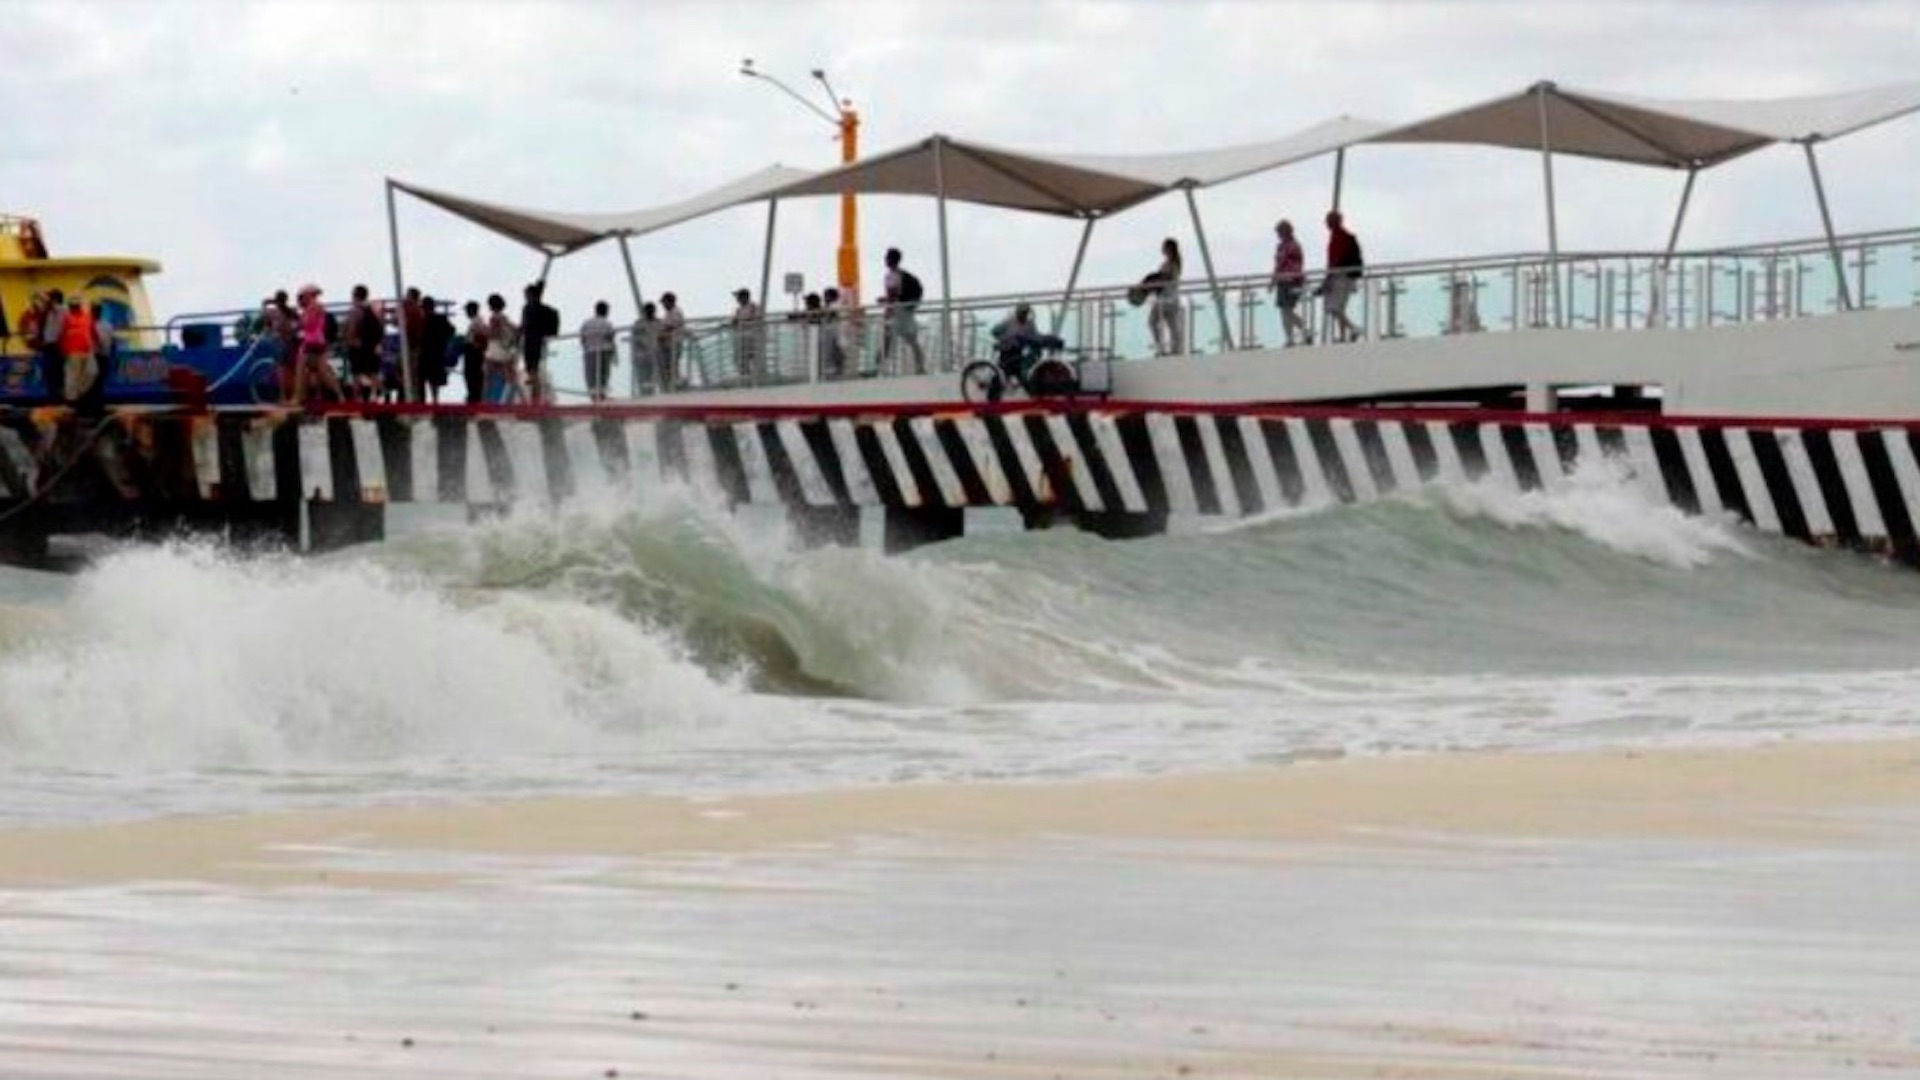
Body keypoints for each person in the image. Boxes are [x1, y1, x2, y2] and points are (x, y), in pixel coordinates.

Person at [293, 283, 345, 404]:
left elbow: (307, 324)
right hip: (319, 341)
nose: (300, 300)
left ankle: (298, 398)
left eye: (302, 297)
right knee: (323, 371)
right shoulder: (316, 306)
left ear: (308, 295)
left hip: (311, 341)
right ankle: (340, 396)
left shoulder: (313, 306)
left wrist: (298, 324)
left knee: (301, 368)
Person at [990, 302, 1065, 381]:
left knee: (1022, 372)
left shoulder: (1030, 324)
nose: (1023, 315)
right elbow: (994, 332)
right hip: (1007, 351)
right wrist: (1006, 339)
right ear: (1017, 312)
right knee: (1002, 374)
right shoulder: (1008, 322)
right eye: (1022, 312)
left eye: (1025, 313)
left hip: (1020, 352)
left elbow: (1034, 337)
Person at [881, 247, 925, 375]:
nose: (885, 260)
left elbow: (892, 295)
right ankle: (920, 365)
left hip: (897, 311)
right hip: (907, 309)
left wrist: (886, 309)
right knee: (911, 339)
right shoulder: (903, 274)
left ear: (890, 259)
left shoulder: (890, 276)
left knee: (887, 338)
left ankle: (883, 366)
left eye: (886, 257)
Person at [1322, 210, 1364, 343]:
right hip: (1340, 276)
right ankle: (1344, 334)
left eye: (1329, 221)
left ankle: (1353, 329)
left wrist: (1329, 276)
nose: (1327, 223)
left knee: (1334, 308)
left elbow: (1336, 259)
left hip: (1342, 276)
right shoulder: (1337, 236)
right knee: (1338, 309)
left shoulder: (1341, 237)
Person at [1271, 219, 1311, 346]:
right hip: (1284, 281)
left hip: (1291, 281)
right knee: (1284, 310)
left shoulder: (1292, 246)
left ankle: (1301, 331)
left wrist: (1273, 279)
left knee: (1286, 309)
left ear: (1285, 232)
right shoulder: (1283, 246)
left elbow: (1281, 263)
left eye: (1279, 232)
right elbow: (1278, 264)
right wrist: (1274, 280)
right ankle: (1292, 336)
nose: (1278, 235)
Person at [343, 284, 384, 401]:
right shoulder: (375, 309)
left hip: (358, 346)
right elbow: (381, 328)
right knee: (373, 372)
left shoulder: (355, 310)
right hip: (373, 346)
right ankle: (376, 396)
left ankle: (358, 399)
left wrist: (349, 341)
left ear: (355, 296)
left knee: (356, 374)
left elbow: (351, 329)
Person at [520, 282, 558, 404]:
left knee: (532, 372)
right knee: (533, 371)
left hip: (531, 342)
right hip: (539, 341)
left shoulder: (528, 308)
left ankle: (534, 399)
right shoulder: (544, 309)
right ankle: (534, 398)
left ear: (530, 295)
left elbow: (525, 325)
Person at [1147, 238, 1184, 356]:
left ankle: (1163, 348)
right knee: (1172, 325)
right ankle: (1175, 350)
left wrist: (1152, 281)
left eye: (1164, 247)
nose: (1162, 249)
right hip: (1171, 299)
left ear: (1169, 248)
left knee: (1153, 321)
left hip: (1166, 299)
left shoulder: (1172, 264)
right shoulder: (1172, 264)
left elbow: (1165, 278)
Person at [484, 293, 521, 404]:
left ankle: (486, 403)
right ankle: (518, 399)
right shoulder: (505, 318)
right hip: (505, 349)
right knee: (510, 377)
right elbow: (515, 330)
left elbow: (493, 334)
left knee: (488, 376)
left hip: (494, 349)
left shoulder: (494, 318)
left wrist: (484, 331)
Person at [58, 296, 96, 404]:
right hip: (72, 350)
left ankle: (79, 391)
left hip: (87, 350)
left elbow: (92, 332)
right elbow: (61, 334)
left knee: (92, 372)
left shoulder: (87, 317)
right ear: (70, 306)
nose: (75, 307)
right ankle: (71, 400)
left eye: (76, 305)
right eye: (73, 306)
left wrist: (93, 344)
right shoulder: (66, 318)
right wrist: (63, 350)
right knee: (72, 375)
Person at [418, 296, 454, 404]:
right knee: (434, 380)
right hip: (437, 353)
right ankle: (435, 401)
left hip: (424, 353)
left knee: (422, 380)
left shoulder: (423, 320)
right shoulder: (441, 318)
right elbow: (451, 331)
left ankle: (422, 403)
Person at [580, 300, 617, 403]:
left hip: (590, 352)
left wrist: (586, 348)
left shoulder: (587, 323)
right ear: (605, 311)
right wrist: (614, 355)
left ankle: (594, 398)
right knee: (603, 376)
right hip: (605, 351)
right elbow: (611, 338)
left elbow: (582, 339)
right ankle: (601, 396)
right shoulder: (607, 323)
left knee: (591, 376)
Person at [38, 289, 66, 404]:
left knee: (56, 377)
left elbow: (48, 302)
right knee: (50, 377)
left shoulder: (61, 309)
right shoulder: (49, 313)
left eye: (50, 298)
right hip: (48, 347)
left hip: (56, 347)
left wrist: (38, 292)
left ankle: (58, 402)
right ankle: (53, 400)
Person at [730, 288, 762, 382]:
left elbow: (757, 319)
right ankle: (745, 377)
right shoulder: (738, 310)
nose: (737, 299)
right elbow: (734, 321)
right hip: (741, 339)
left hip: (752, 338)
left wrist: (743, 322)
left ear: (744, 297)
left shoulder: (754, 307)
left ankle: (755, 378)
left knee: (753, 358)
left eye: (739, 297)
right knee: (741, 360)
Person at [630, 301, 662, 397]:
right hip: (641, 356)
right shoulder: (639, 324)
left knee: (653, 378)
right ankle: (643, 395)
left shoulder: (658, 322)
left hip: (654, 355)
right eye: (648, 310)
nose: (650, 312)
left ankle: (651, 395)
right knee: (642, 378)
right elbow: (636, 338)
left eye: (652, 310)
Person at [820, 287, 851, 379]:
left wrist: (825, 310)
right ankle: (838, 373)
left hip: (837, 335)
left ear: (830, 297)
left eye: (826, 296)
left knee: (836, 356)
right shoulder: (838, 305)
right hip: (839, 335)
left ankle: (837, 374)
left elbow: (830, 316)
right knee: (838, 356)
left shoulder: (835, 306)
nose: (824, 298)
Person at [462, 300, 488, 404]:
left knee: (472, 377)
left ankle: (474, 400)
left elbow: (481, 337)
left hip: (473, 353)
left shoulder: (477, 322)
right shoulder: (477, 321)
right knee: (473, 377)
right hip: (474, 352)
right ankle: (474, 398)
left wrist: (475, 345)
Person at [658, 292, 685, 391]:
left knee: (673, 365)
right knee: (669, 366)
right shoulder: (668, 313)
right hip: (667, 344)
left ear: (670, 302)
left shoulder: (676, 312)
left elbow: (671, 326)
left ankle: (677, 384)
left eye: (664, 302)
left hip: (674, 343)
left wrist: (661, 333)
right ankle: (672, 384)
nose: (663, 305)